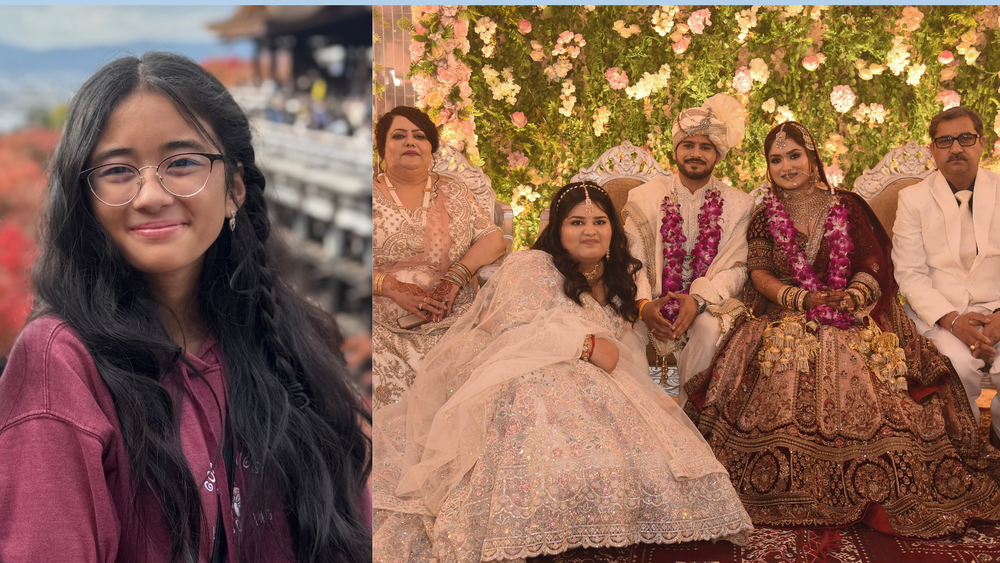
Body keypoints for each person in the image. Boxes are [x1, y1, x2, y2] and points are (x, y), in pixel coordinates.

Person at [0, 53, 371, 562]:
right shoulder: (61, 365)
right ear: (83, 197)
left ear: (234, 188)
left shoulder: (295, 336)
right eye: (117, 170)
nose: (150, 194)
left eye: (182, 163)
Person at [373, 182, 752, 562]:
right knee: (550, 392)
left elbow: (634, 349)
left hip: (598, 377)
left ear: (613, 230)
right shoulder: (532, 265)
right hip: (519, 372)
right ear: (557, 230)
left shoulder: (620, 281)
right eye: (576, 222)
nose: (590, 231)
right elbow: (512, 332)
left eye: (600, 221)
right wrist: (583, 346)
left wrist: (657, 387)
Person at [684, 120, 1000, 539]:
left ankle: (865, 472)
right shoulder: (763, 214)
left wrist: (851, 296)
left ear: (812, 158)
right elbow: (758, 271)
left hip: (850, 311)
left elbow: (873, 265)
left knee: (843, 345)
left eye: (794, 155)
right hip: (782, 314)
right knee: (788, 350)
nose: (787, 166)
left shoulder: (847, 206)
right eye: (776, 160)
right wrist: (800, 300)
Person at [623, 94, 755, 404]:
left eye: (706, 147)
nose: (696, 153)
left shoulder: (740, 204)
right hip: (650, 304)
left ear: (718, 155)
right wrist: (643, 306)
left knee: (708, 329)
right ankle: (648, 421)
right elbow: (631, 259)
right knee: (628, 333)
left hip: (708, 305)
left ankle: (688, 422)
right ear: (676, 149)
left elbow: (737, 268)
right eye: (688, 145)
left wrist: (697, 300)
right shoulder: (644, 197)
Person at [372, 106, 505, 411]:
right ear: (382, 147)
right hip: (379, 323)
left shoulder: (454, 190)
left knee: (479, 387)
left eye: (419, 136)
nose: (410, 142)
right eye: (399, 136)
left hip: (454, 318)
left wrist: (456, 277)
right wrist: (391, 287)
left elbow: (493, 239)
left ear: (430, 147)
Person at [892, 106, 1000, 440]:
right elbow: (909, 273)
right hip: (940, 315)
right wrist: (951, 319)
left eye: (966, 138)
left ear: (982, 143)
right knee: (955, 365)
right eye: (945, 141)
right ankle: (962, 449)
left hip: (998, 309)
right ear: (932, 150)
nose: (956, 147)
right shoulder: (912, 199)